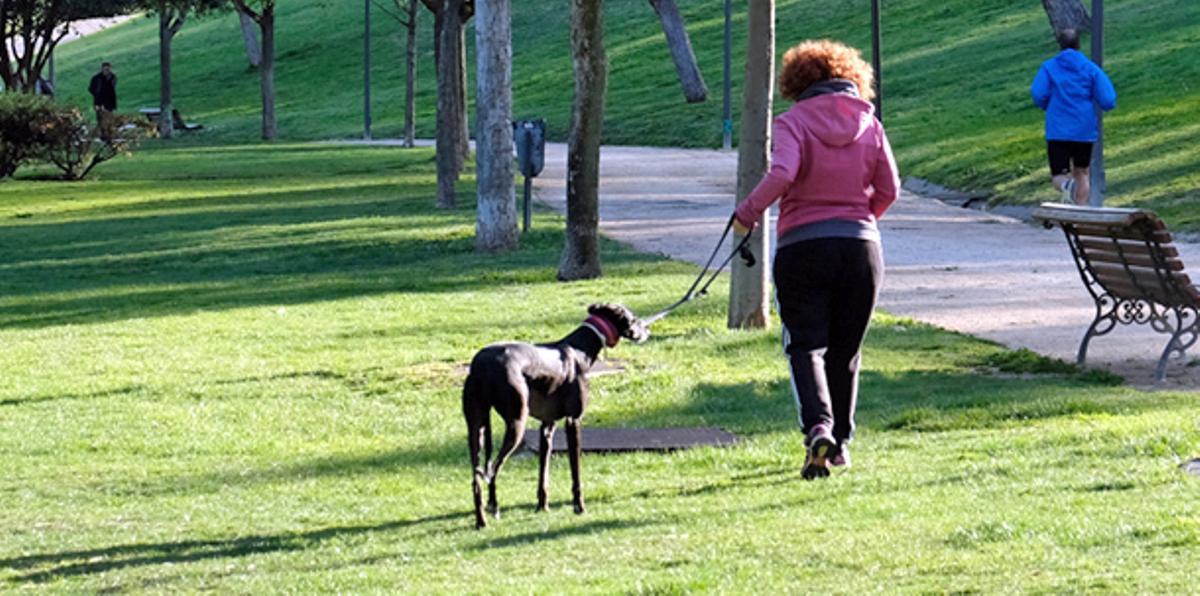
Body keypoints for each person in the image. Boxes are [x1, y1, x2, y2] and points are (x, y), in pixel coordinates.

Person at [733, 40, 899, 481]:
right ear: (852, 77)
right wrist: (860, 218)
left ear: (796, 82)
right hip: (861, 248)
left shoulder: (791, 123)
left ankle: (818, 426)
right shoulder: (871, 123)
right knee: (846, 350)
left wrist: (747, 212)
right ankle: (840, 444)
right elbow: (890, 189)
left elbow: (783, 173)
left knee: (806, 345)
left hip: (803, 246)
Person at [1031, 29, 1116, 205]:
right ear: (1078, 45)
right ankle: (1080, 210)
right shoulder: (1090, 68)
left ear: (1060, 45)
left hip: (1058, 129)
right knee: (1082, 172)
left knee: (1059, 175)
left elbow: (1038, 94)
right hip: (1084, 129)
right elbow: (1108, 99)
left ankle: (1066, 186)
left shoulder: (1049, 67)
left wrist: (1048, 106)